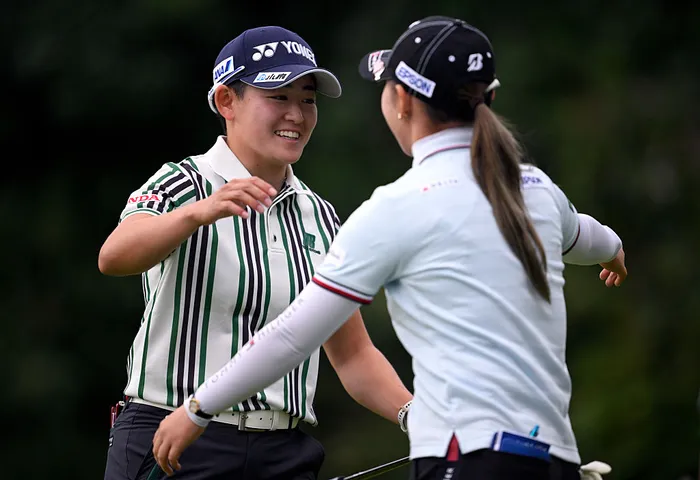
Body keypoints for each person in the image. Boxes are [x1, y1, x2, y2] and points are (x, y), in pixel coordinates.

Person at [151, 16, 625, 480]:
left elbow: (294, 335)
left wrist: (198, 407)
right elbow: (593, 238)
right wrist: (613, 254)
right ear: (488, 98)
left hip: (464, 458)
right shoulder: (537, 188)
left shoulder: (397, 206)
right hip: (555, 458)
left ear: (401, 99)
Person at [98, 25, 412, 480]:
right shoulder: (183, 182)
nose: (297, 115)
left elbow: (352, 355)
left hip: (283, 451)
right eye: (278, 97)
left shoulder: (320, 215)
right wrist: (198, 213)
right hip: (172, 440)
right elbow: (114, 256)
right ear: (227, 101)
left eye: (308, 100)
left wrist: (413, 415)